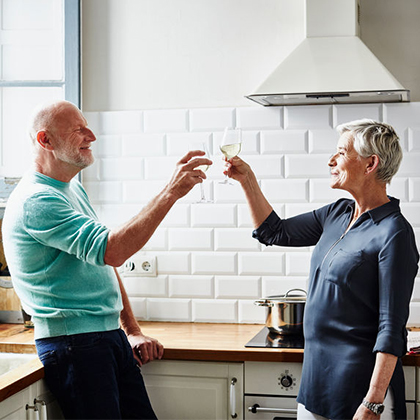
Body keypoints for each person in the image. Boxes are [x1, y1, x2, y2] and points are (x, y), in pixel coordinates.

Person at [2, 100, 212, 420]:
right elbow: (113, 250)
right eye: (78, 130)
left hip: (106, 338)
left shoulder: (71, 190)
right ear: (46, 141)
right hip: (74, 344)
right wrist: (170, 192)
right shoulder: (36, 200)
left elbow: (104, 262)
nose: (91, 136)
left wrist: (131, 329)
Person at [224, 119, 418, 420]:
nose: (331, 160)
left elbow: (391, 329)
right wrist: (246, 179)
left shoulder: (394, 233)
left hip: (360, 389)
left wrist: (373, 403)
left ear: (370, 164)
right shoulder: (337, 213)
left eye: (341, 152)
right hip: (316, 381)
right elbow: (274, 231)